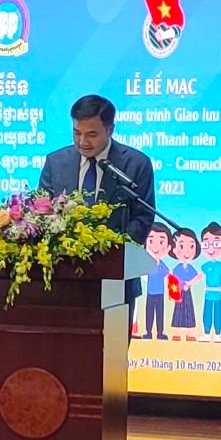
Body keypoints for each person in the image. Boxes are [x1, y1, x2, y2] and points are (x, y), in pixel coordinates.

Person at [38, 94, 156, 334]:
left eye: (91, 134)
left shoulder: (135, 164)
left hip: (116, 282)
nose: (82, 141)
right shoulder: (56, 162)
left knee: (111, 351)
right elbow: (41, 211)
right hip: (63, 283)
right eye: (76, 133)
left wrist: (110, 252)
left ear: (110, 129)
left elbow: (143, 218)